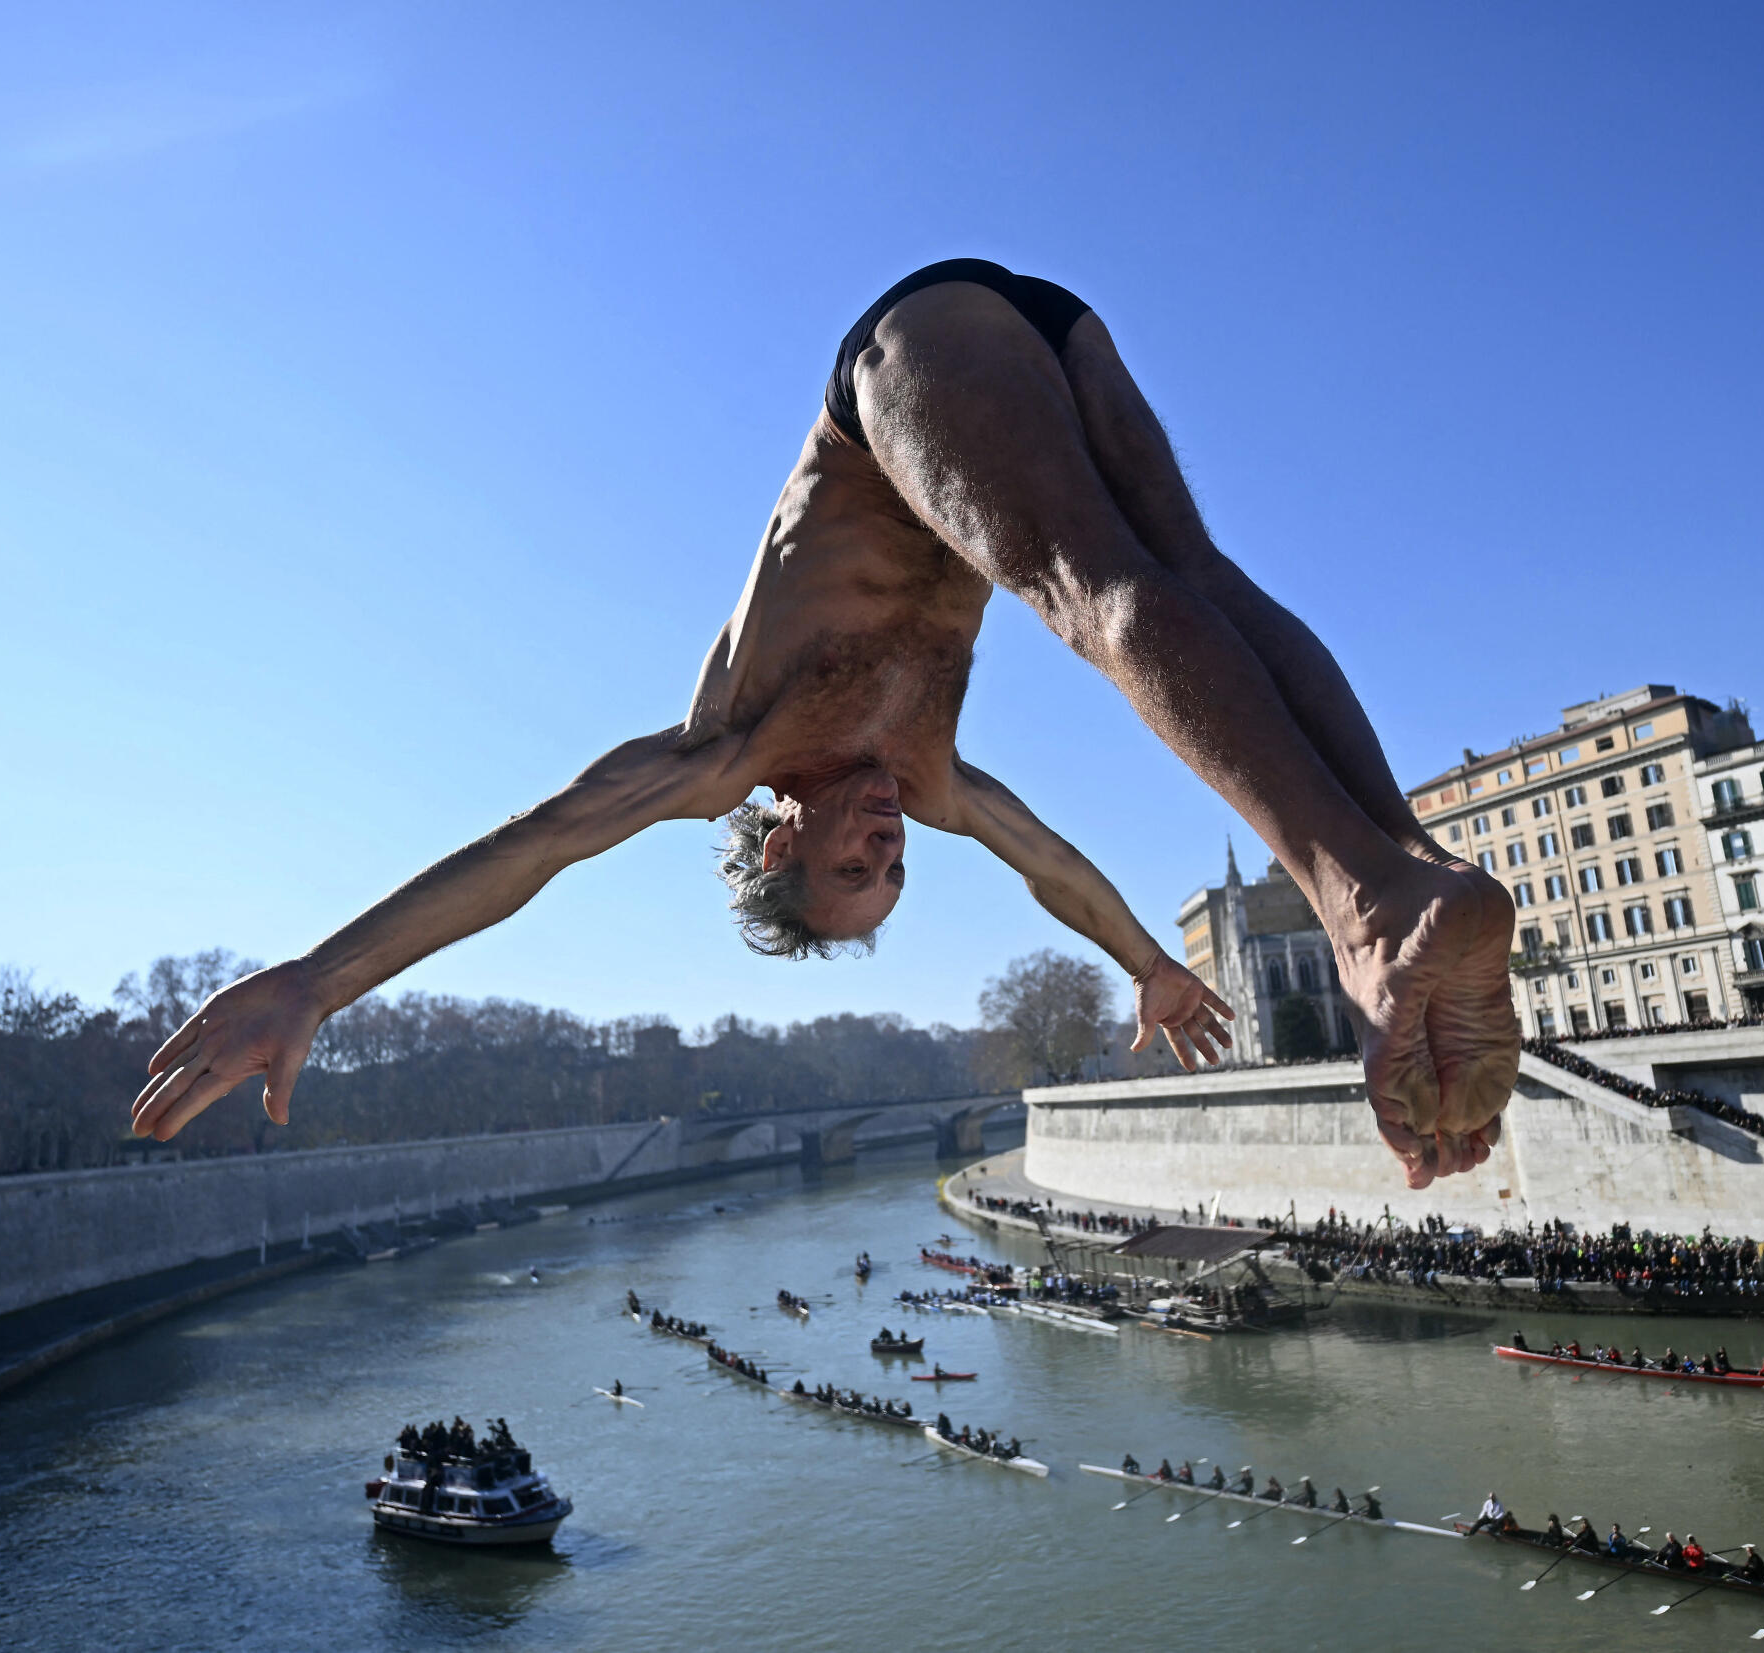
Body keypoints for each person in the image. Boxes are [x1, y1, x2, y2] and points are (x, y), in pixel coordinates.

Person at [127, 259, 1521, 1192]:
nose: (889, 841)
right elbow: (1050, 868)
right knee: (1189, 584)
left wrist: (320, 978)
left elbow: (534, 850)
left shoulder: (728, 745)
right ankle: (1405, 864)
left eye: (853, 864)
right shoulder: (927, 774)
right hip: (1059, 334)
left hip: (908, 360)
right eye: (895, 871)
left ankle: (1366, 902)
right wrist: (1150, 965)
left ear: (776, 837)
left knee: (1096, 600)